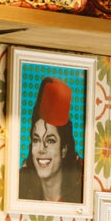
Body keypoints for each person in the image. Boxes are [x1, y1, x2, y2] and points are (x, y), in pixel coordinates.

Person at [18, 76, 84, 204]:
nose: (41, 149)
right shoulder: (21, 189)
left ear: (64, 149)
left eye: (50, 141)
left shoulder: (77, 197)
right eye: (36, 140)